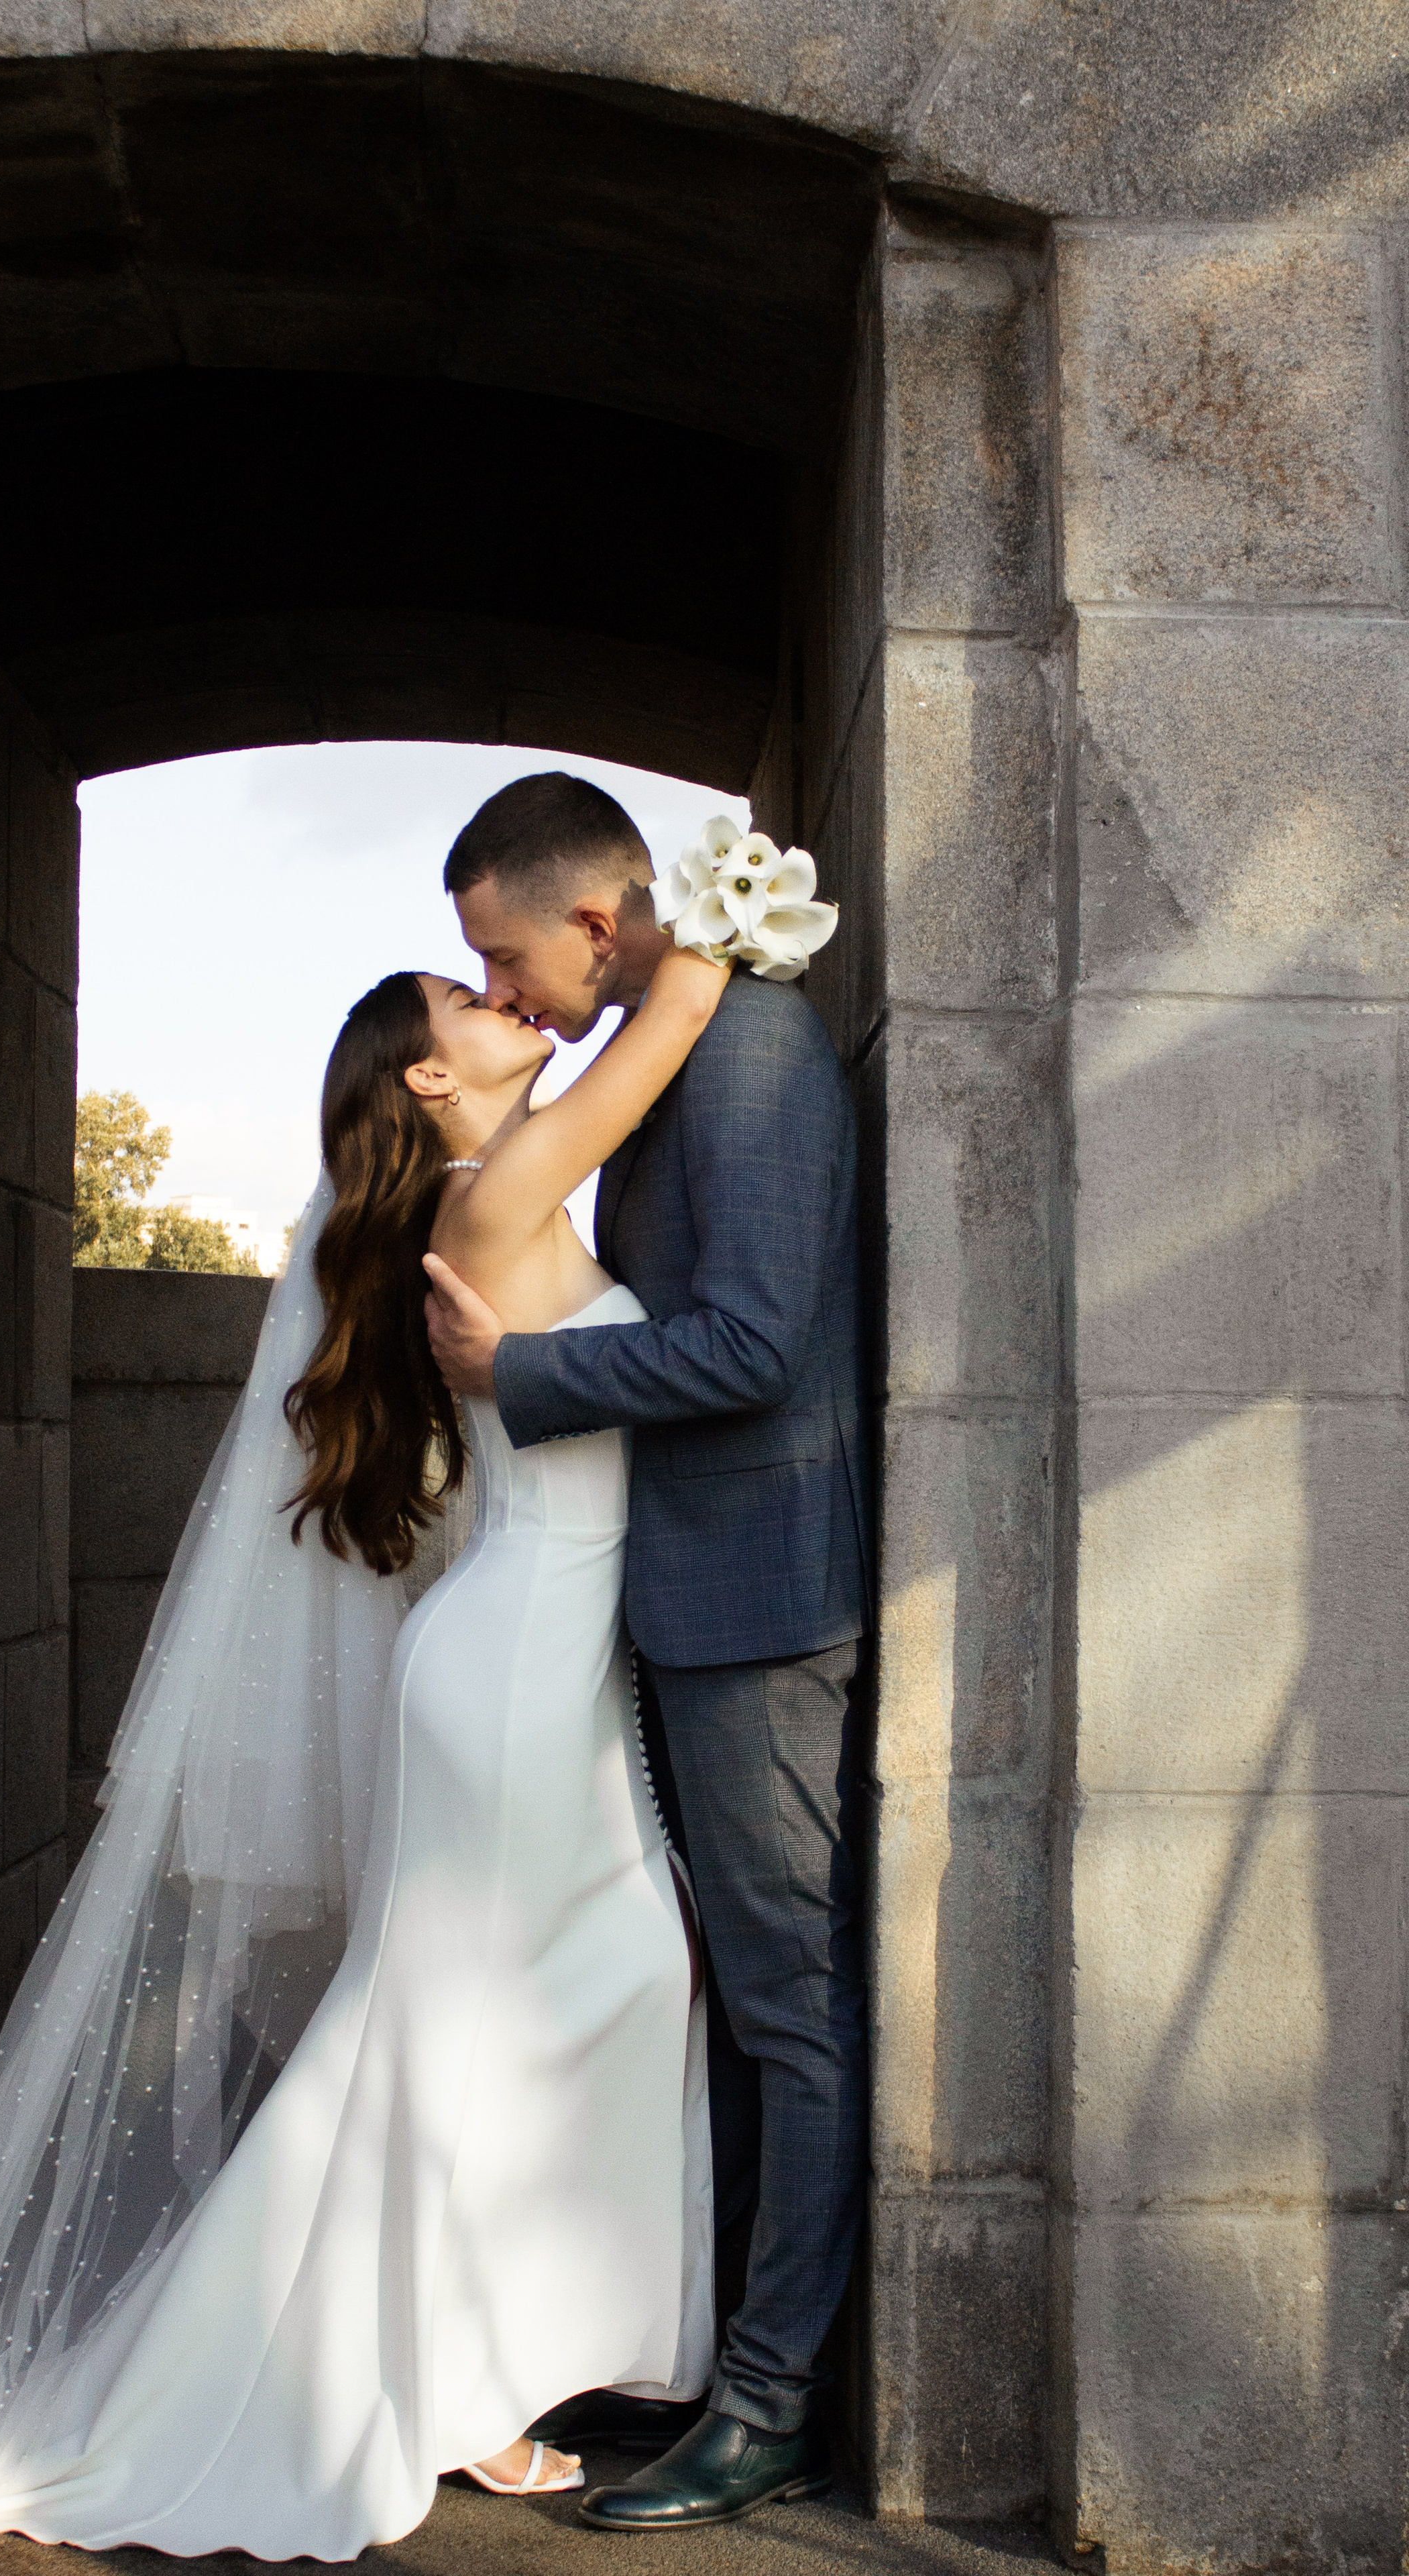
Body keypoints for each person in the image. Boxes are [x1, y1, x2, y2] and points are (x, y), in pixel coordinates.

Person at [0, 941, 730, 2575]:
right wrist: (716, 922)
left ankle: (453, 2364)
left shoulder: (469, 1198)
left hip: (526, 1649)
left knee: (540, 1998)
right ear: (429, 1085)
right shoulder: (495, 1187)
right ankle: (414, 2383)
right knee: (477, 2018)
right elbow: (673, 1007)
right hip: (518, 1654)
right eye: (468, 1003)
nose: (505, 1003)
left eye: (495, 979)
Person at [425, 771, 873, 2533]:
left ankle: (767, 2404)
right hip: (688, 1597)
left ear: (593, 918)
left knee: (790, 2004)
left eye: (504, 951)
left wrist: (518, 1379)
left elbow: (755, 1345)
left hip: (761, 1602)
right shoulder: (675, 1047)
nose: (509, 992)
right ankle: (705, 2367)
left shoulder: (750, 1054)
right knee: (734, 2007)